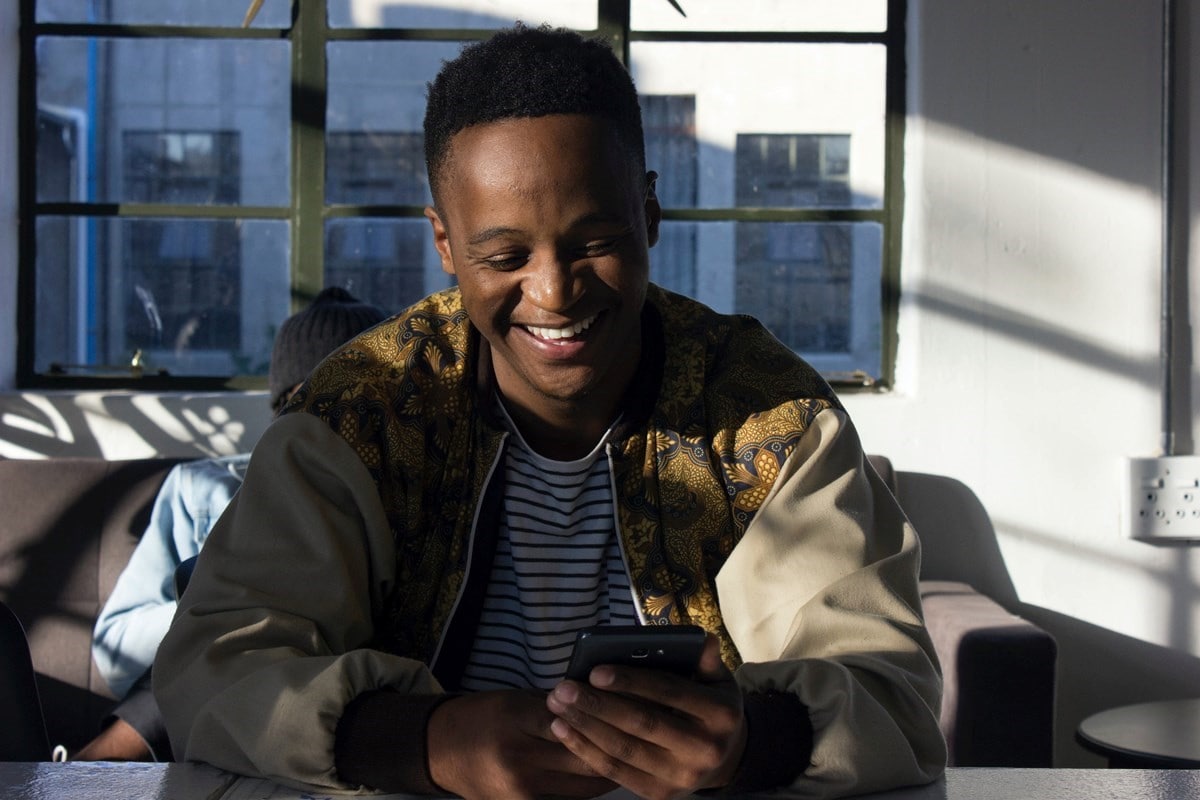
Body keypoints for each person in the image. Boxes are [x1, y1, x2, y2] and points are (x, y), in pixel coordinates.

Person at [154, 24, 946, 800]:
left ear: (650, 215)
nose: (555, 292)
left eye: (595, 240)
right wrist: (423, 743)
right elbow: (212, 671)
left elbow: (893, 699)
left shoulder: (769, 419)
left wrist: (748, 742)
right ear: (443, 242)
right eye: (503, 258)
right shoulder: (361, 415)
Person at [79, 287, 388, 762]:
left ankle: (89, 772)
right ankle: (86, 776)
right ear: (280, 409)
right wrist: (218, 598)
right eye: (312, 402)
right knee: (215, 654)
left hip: (340, 690)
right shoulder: (200, 487)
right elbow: (114, 647)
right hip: (222, 704)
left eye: (354, 404)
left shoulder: (407, 500)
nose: (330, 427)